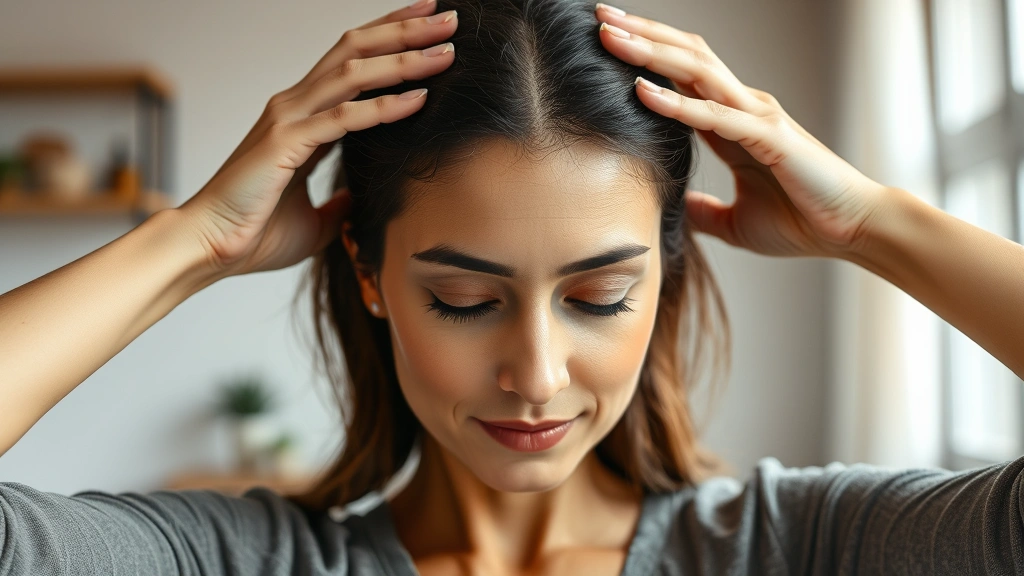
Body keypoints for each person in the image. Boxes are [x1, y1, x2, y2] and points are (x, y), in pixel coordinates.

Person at [1, 0, 1022, 573]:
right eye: (463, 299)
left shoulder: (801, 550)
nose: (534, 376)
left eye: (597, 297)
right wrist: (195, 240)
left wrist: (872, 222)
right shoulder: (243, 563)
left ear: (664, 280)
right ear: (367, 274)